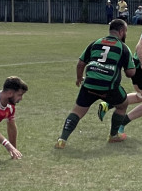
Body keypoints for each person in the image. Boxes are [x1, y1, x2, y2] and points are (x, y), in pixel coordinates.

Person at [56, 19, 136, 147]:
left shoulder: (96, 43)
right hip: (108, 87)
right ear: (121, 31)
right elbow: (130, 73)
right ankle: (113, 135)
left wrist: (78, 78)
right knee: (123, 104)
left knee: (77, 112)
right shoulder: (123, 48)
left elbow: (81, 63)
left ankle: (62, 139)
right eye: (125, 31)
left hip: (89, 84)